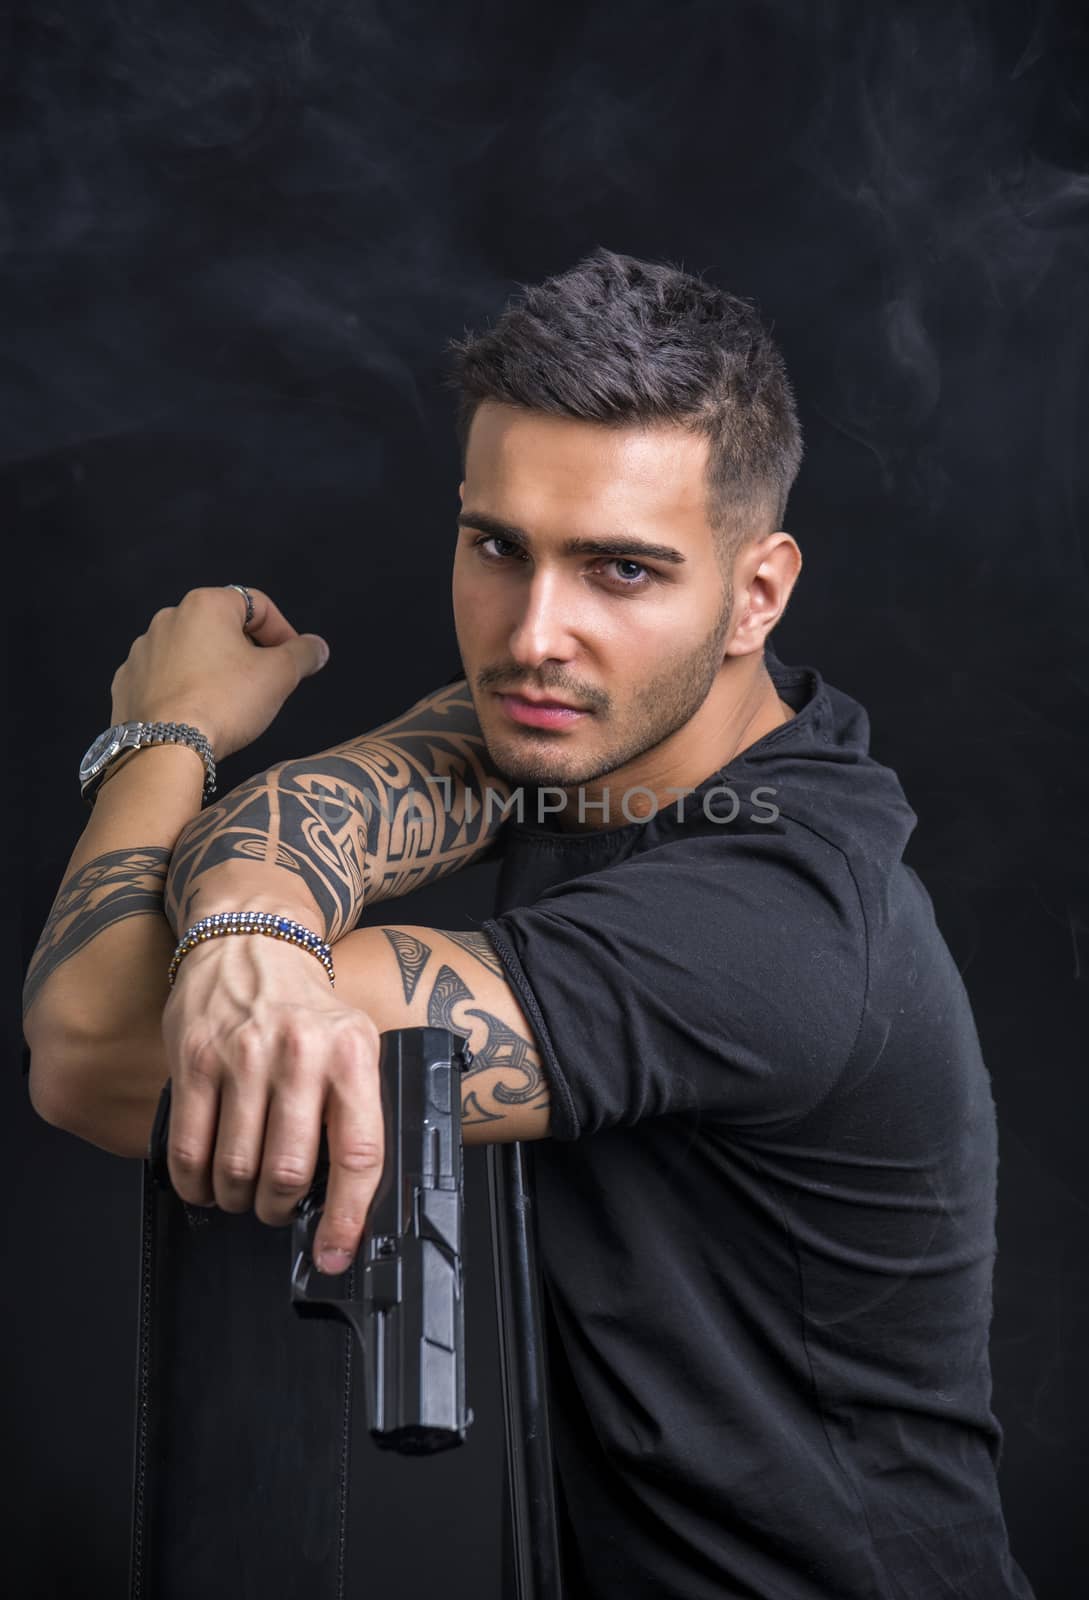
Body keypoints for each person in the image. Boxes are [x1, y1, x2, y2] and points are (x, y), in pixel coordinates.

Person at [22, 248, 1034, 1599]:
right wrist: (253, 928)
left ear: (755, 593)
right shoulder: (607, 726)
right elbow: (337, 803)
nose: (531, 635)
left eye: (620, 570)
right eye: (498, 546)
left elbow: (91, 1052)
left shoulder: (773, 920)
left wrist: (167, 736)